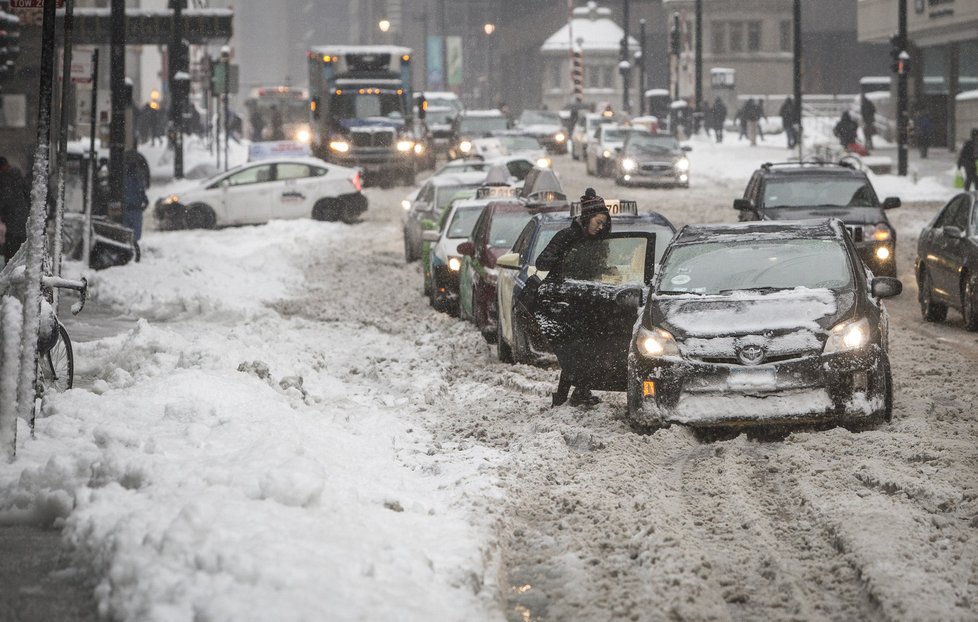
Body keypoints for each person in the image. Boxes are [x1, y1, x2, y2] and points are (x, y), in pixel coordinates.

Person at [534, 187, 612, 408]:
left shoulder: (600, 241)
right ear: (587, 218)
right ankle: (564, 397)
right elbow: (542, 262)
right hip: (566, 303)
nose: (601, 227)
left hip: (591, 302)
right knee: (573, 353)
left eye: (604, 223)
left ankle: (579, 393)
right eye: (598, 222)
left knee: (585, 351)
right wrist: (561, 259)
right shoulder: (566, 237)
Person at [0, 156, 30, 262]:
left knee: (12, 247)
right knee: (17, 246)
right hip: (19, 216)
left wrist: (3, 213)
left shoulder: (7, 178)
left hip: (14, 218)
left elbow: (6, 198)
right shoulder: (17, 175)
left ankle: (11, 268)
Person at [122, 150, 149, 251]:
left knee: (127, 231)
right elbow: (142, 194)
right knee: (135, 234)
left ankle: (129, 248)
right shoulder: (138, 180)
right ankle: (133, 248)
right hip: (135, 209)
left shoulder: (123, 180)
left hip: (128, 209)